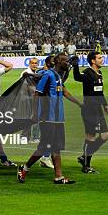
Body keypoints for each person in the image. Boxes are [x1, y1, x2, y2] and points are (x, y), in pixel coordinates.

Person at [18, 53, 82, 184]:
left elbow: (65, 92)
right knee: (45, 147)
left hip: (58, 118)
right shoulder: (48, 75)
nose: (67, 63)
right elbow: (37, 94)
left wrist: (80, 104)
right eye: (65, 61)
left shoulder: (58, 77)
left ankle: (58, 176)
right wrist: (35, 114)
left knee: (54, 147)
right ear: (58, 61)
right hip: (47, 117)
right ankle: (25, 168)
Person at [72, 52, 108, 174]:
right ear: (93, 61)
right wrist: (75, 65)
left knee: (105, 136)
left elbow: (99, 92)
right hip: (89, 109)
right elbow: (77, 77)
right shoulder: (88, 73)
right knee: (91, 137)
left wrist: (105, 105)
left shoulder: (99, 73)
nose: (102, 59)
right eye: (99, 58)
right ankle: (86, 166)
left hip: (97, 109)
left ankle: (84, 156)